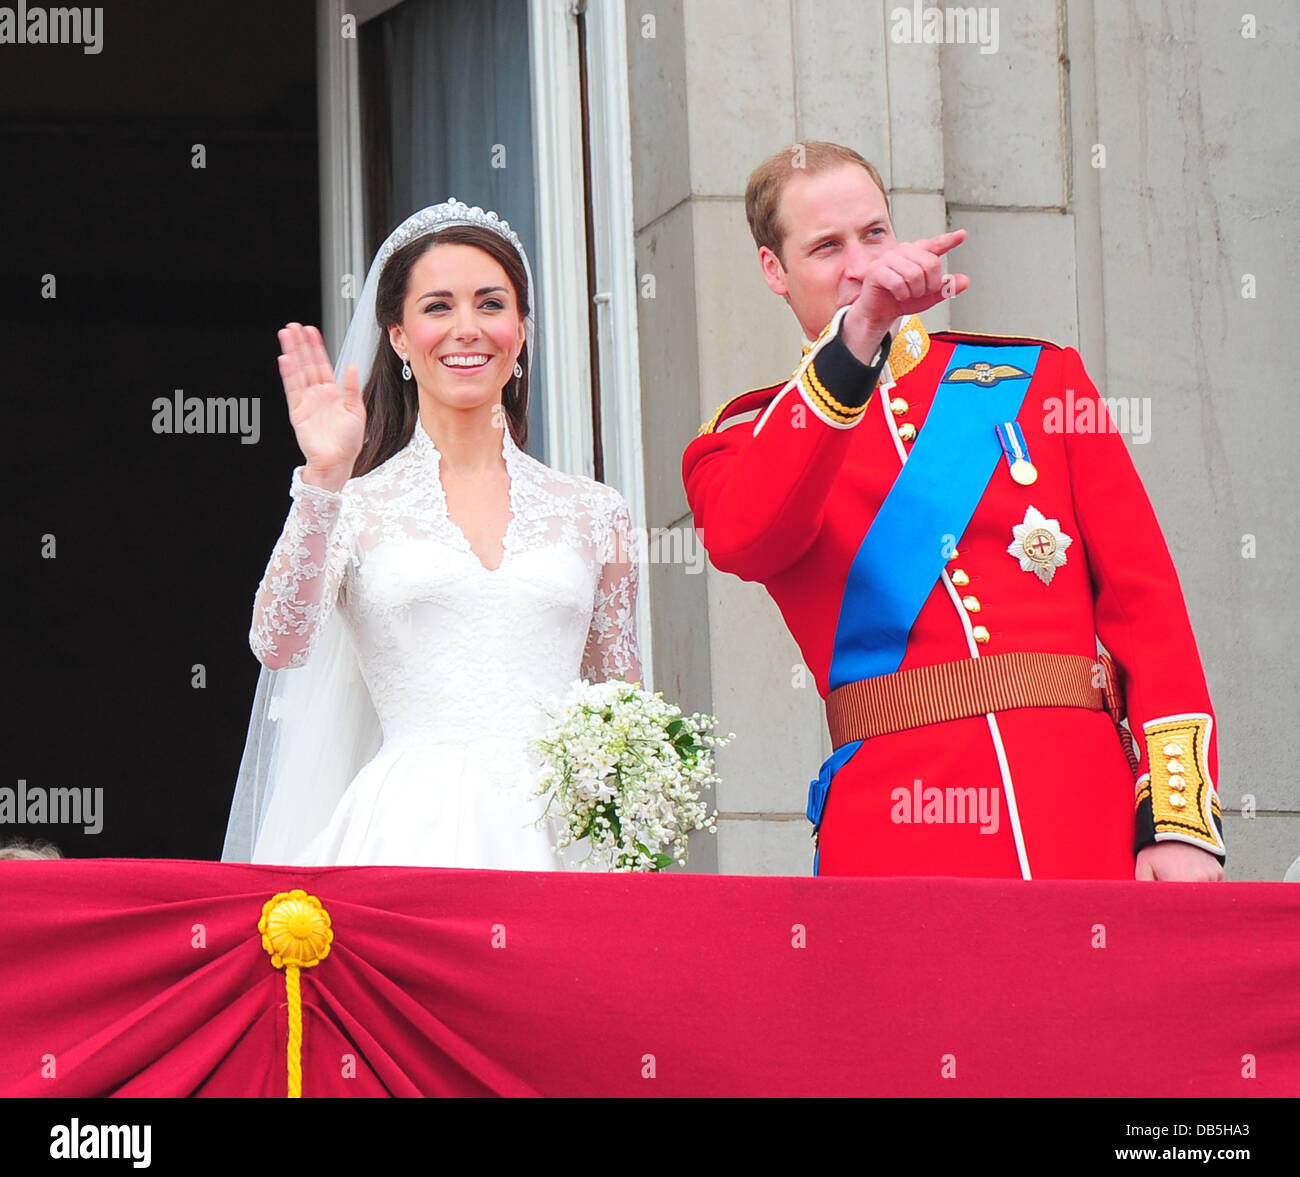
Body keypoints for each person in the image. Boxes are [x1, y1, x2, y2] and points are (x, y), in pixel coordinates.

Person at [682, 142, 1224, 881]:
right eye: (826, 247)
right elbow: (750, 538)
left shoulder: (1038, 381)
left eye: (875, 235)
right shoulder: (744, 439)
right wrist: (857, 342)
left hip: (1080, 810)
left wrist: (1178, 821)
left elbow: (1146, 604)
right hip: (897, 830)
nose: (863, 265)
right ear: (773, 270)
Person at [223, 200, 640, 868]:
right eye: (438, 307)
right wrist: (325, 477)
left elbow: (625, 716)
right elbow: (278, 643)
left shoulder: (597, 513)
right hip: (404, 834)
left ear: (522, 328)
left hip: (559, 840)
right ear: (397, 335)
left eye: (491, 304)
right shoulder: (353, 506)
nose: (467, 329)